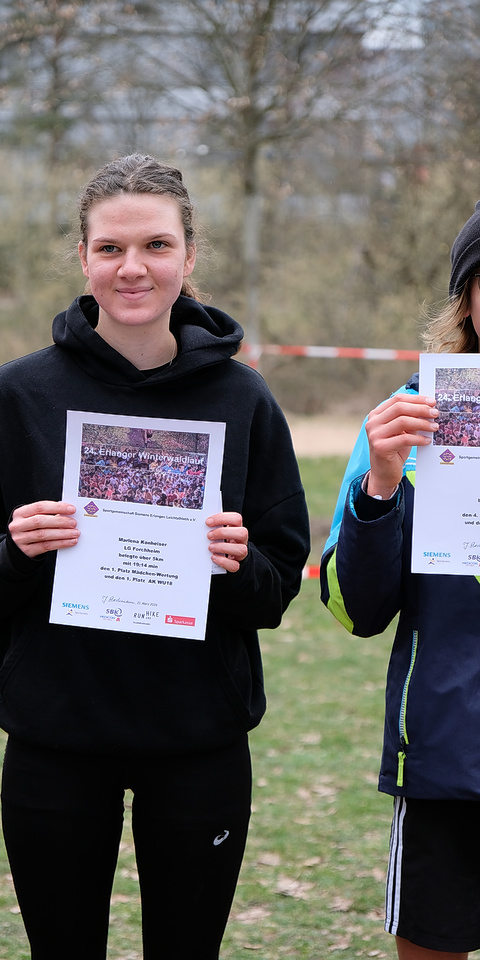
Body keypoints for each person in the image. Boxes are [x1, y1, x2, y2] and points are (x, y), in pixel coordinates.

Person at [0, 153, 310, 960]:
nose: (132, 267)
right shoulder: (17, 395)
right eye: (110, 248)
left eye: (155, 245)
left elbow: (276, 587)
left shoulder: (243, 399)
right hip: (54, 733)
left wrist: (235, 562)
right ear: (83, 257)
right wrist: (18, 550)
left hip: (198, 738)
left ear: (189, 255)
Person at [320, 201, 480, 960]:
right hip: (451, 757)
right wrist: (381, 485)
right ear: (466, 300)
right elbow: (355, 608)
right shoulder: (411, 420)